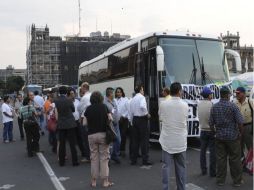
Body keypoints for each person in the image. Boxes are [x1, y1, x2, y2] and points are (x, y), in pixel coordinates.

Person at [209, 86, 244, 187]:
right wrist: (240, 133)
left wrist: (214, 133)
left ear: (220, 94)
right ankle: (237, 181)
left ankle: (220, 180)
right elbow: (240, 122)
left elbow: (211, 123)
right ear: (228, 95)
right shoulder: (232, 106)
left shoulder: (214, 107)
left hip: (219, 137)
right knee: (235, 159)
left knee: (221, 159)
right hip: (232, 137)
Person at [159, 82, 189, 190]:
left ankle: (165, 188)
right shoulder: (185, 105)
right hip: (180, 142)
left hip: (167, 141)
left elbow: (161, 118)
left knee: (166, 167)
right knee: (181, 167)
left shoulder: (163, 104)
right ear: (179, 91)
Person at [84, 91, 114, 188]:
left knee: (93, 157)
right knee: (104, 158)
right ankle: (105, 181)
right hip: (103, 134)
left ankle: (93, 181)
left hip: (91, 135)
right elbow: (110, 119)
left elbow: (84, 123)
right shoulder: (104, 107)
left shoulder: (88, 109)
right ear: (101, 98)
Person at [54, 86, 79, 167]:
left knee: (62, 143)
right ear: (66, 92)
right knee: (72, 143)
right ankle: (74, 161)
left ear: (59, 92)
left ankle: (61, 162)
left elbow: (58, 110)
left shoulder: (56, 101)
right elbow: (73, 109)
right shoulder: (69, 100)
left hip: (61, 123)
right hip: (70, 123)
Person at [129, 84, 152, 166]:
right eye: (142, 90)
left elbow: (130, 111)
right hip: (142, 120)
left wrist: (131, 121)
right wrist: (147, 114)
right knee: (144, 141)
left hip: (134, 119)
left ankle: (133, 160)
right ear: (140, 90)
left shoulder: (132, 99)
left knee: (135, 141)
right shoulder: (142, 97)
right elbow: (143, 106)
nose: (143, 91)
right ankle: (145, 160)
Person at [68, 88, 90, 162]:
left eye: (73, 93)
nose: (72, 95)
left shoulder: (78, 101)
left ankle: (84, 153)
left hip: (78, 121)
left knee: (81, 138)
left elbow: (81, 110)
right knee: (73, 140)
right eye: (71, 94)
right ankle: (74, 155)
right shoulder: (68, 102)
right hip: (71, 123)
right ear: (68, 95)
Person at [198, 87, 216, 177]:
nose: (211, 95)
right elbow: (213, 119)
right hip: (211, 130)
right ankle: (212, 172)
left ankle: (203, 170)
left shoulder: (199, 104)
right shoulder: (211, 104)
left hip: (202, 130)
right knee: (213, 152)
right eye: (211, 94)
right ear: (209, 95)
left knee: (202, 152)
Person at [104, 87, 121, 164]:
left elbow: (115, 111)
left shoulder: (113, 101)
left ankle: (115, 155)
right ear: (110, 94)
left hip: (116, 124)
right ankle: (108, 158)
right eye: (113, 93)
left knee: (118, 140)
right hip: (110, 124)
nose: (115, 94)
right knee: (109, 142)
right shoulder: (104, 102)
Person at [234, 87, 253, 154]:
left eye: (238, 93)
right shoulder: (234, 104)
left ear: (244, 93)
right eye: (236, 93)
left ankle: (251, 163)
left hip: (248, 127)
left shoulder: (250, 102)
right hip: (238, 128)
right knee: (239, 149)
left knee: (250, 148)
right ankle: (242, 163)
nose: (236, 95)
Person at [77, 82, 91, 159]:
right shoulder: (92, 95)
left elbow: (79, 108)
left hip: (85, 120)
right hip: (92, 120)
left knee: (86, 139)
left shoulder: (85, 97)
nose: (81, 89)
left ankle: (88, 156)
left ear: (84, 88)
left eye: (81, 88)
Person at [115, 87, 129, 157]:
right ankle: (117, 150)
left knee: (123, 135)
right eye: (117, 92)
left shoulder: (125, 100)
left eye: (120, 92)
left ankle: (122, 150)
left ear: (122, 92)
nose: (118, 93)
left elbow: (128, 109)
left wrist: (123, 116)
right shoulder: (114, 100)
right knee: (117, 136)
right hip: (117, 120)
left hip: (124, 120)